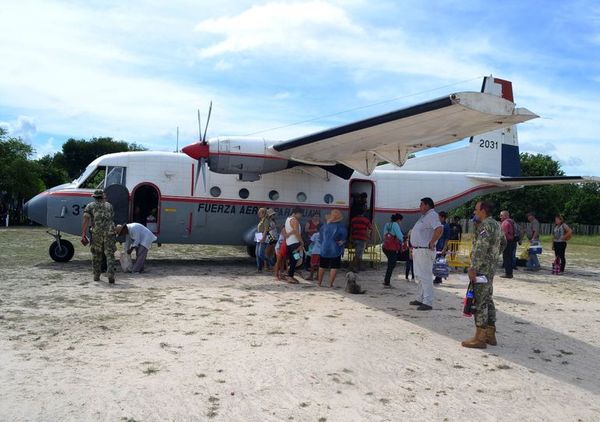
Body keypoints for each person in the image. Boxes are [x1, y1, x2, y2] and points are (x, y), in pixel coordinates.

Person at [462, 201, 506, 349]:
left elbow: (480, 248)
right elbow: (504, 242)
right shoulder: (497, 225)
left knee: (479, 301)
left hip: (481, 269)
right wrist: (493, 257)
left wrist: (473, 267)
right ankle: (490, 334)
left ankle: (479, 338)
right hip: (490, 268)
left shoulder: (485, 226)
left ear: (483, 210)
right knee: (488, 299)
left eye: (476, 209)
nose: (474, 212)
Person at [409, 198, 442, 311]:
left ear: (427, 205)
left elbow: (439, 229)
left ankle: (428, 301)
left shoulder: (432, 215)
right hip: (419, 250)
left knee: (426, 276)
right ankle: (420, 298)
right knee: (419, 275)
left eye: (421, 204)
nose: (419, 207)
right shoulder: (425, 216)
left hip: (424, 250)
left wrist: (432, 242)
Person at [81, 189, 116, 283]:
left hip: (97, 233)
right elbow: (112, 218)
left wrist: (83, 233)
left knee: (96, 254)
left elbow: (86, 219)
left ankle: (96, 275)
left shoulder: (90, 206)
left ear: (94, 197)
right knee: (110, 254)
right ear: (102, 196)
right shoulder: (109, 205)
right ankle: (111, 274)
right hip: (110, 233)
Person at [318, 209, 348, 287]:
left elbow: (320, 238)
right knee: (334, 266)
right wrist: (342, 242)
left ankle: (319, 283)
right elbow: (343, 238)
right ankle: (330, 284)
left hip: (324, 248)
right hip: (335, 248)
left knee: (322, 266)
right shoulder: (341, 227)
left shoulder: (324, 226)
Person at [381, 213, 404, 287]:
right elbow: (400, 236)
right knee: (392, 264)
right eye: (401, 221)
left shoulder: (387, 224)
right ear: (398, 220)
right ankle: (386, 282)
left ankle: (386, 281)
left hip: (385, 247)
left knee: (391, 264)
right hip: (392, 248)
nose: (401, 222)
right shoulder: (395, 225)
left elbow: (384, 235)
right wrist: (404, 239)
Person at [284, 207, 304, 283]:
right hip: (295, 243)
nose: (300, 216)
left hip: (289, 243)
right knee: (295, 259)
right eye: (300, 215)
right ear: (297, 213)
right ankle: (290, 276)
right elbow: (296, 232)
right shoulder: (295, 220)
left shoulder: (288, 219)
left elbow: (292, 231)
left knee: (293, 259)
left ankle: (289, 274)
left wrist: (288, 234)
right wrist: (301, 242)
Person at [433, 211, 450, 284]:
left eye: (439, 217)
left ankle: (438, 278)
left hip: (442, 247)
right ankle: (438, 277)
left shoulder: (446, 226)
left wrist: (444, 248)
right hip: (437, 246)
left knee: (440, 263)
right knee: (437, 262)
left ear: (442, 217)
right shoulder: (439, 225)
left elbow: (447, 238)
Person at [499, 210, 517, 279]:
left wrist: (500, 242)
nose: (500, 217)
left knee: (506, 258)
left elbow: (503, 234)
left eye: (501, 215)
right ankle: (509, 273)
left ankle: (508, 274)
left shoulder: (505, 223)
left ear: (506, 215)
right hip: (513, 241)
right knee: (510, 257)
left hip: (507, 242)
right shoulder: (512, 222)